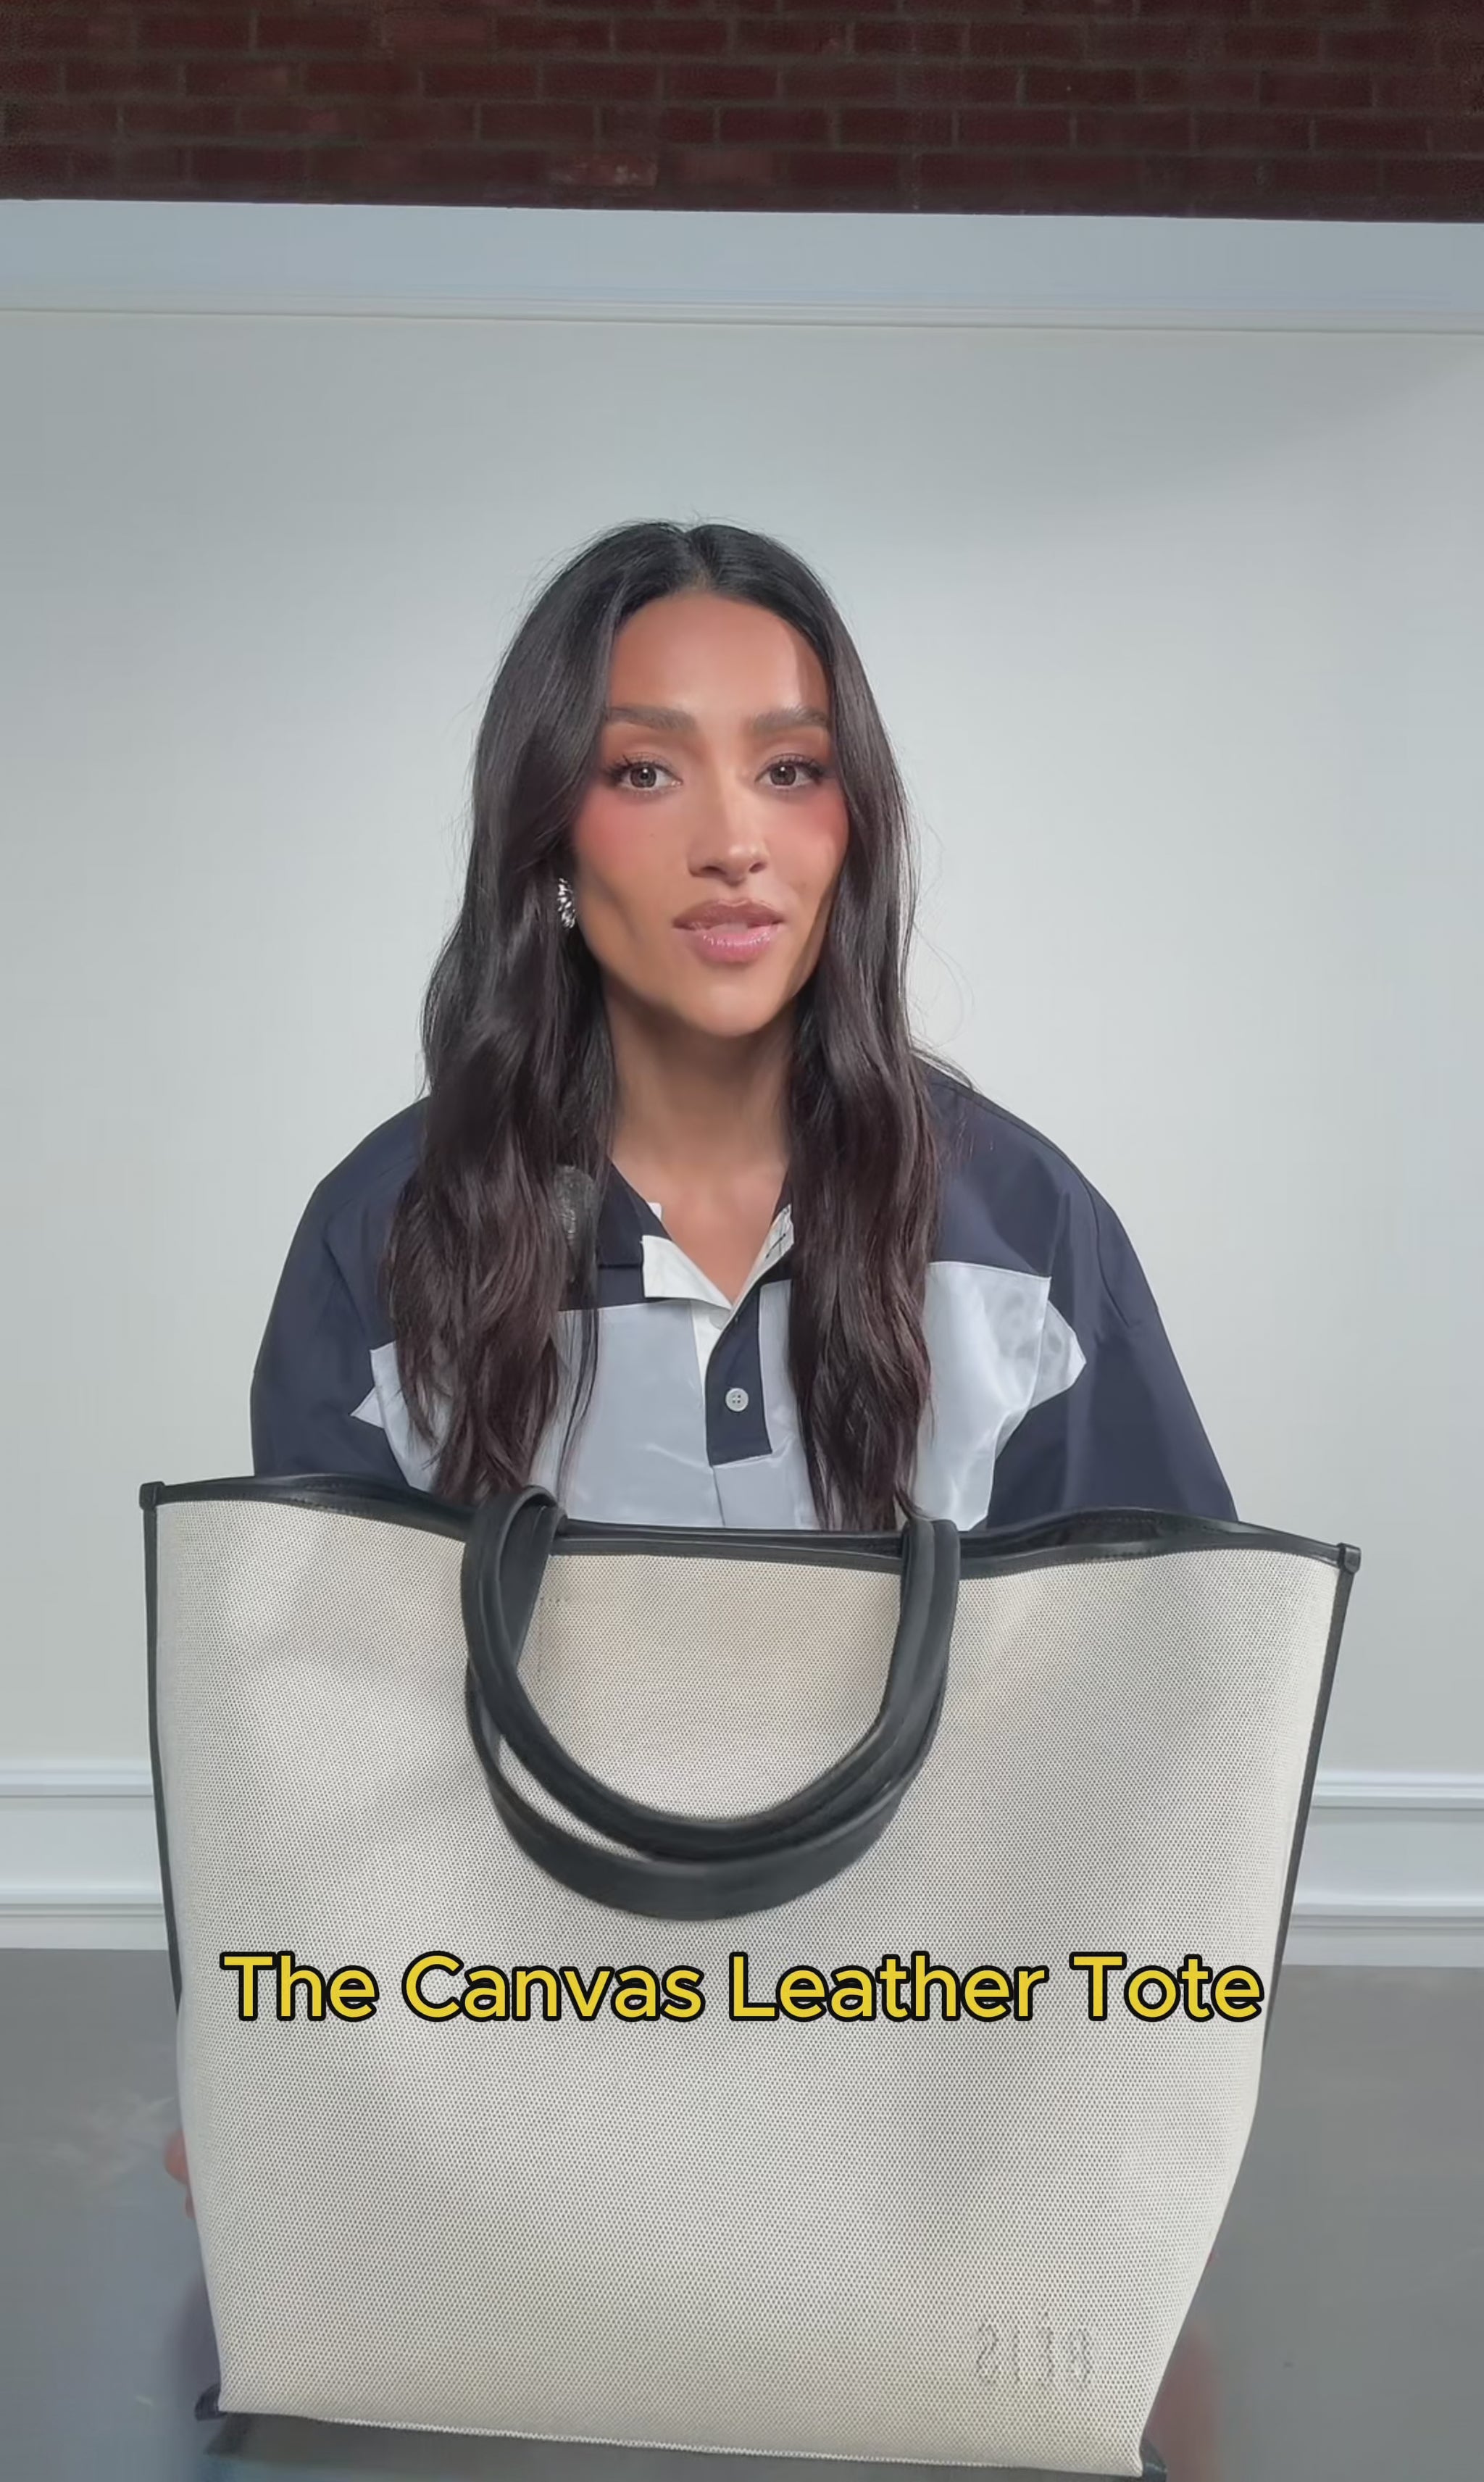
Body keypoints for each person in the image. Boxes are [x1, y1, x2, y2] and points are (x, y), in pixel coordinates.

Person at [164, 517, 1235, 2215]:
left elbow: (1168, 1703)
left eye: (791, 770)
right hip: (510, 2063)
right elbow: (301, 1743)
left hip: (931, 2062)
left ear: (851, 830)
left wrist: (1121, 2094)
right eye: (645, 773)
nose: (734, 842)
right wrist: (263, 2068)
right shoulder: (383, 1238)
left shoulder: (1024, 1223)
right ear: (548, 838)